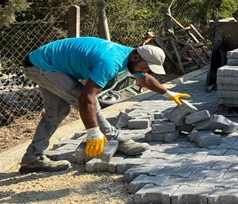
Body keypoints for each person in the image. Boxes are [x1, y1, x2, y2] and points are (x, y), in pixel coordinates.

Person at [19, 37, 190, 173]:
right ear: (137, 57)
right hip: (43, 65)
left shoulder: (130, 58)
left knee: (57, 111)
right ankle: (116, 138)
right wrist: (93, 132)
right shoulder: (110, 62)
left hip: (45, 63)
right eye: (147, 67)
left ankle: (31, 159)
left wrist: (168, 93)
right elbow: (87, 98)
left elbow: (144, 78)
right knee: (84, 100)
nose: (147, 71)